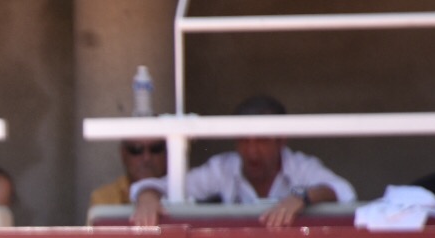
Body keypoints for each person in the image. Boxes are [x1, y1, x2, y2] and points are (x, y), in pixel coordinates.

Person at [130, 94, 355, 228]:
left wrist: (302, 197)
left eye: (262, 141)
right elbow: (159, 187)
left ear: (281, 141)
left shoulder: (300, 166)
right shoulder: (223, 168)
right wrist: (148, 198)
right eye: (244, 141)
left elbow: (344, 191)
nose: (252, 151)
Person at [89, 140, 169, 217]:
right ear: (123, 154)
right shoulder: (104, 197)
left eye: (156, 149)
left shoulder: (179, 189)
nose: (146, 158)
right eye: (136, 150)